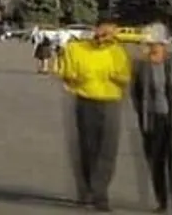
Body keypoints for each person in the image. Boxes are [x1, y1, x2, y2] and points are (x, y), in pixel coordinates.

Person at [57, 22, 132, 211]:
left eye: (106, 36)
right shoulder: (76, 49)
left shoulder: (118, 52)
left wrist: (113, 75)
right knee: (88, 148)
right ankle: (87, 191)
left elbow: (124, 76)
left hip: (110, 102)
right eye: (99, 34)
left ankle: (100, 194)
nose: (101, 39)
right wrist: (75, 77)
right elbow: (66, 72)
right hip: (85, 100)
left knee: (107, 150)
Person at [130, 24, 172, 213]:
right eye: (149, 44)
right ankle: (163, 201)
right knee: (156, 162)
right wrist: (142, 114)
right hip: (151, 119)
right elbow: (135, 92)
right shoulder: (141, 65)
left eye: (155, 44)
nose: (152, 48)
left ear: (163, 45)